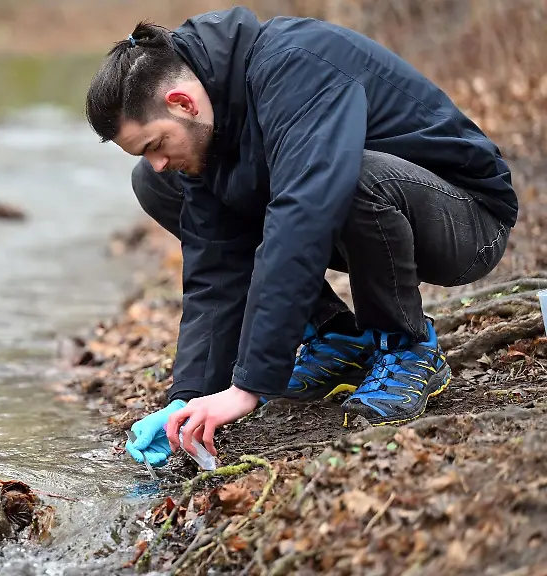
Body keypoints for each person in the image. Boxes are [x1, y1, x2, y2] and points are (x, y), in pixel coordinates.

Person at [84, 7, 517, 468]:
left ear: (183, 103)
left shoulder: (296, 66)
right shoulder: (212, 120)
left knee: (347, 177)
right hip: (367, 216)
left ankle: (405, 348)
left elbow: (302, 216)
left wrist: (249, 386)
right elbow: (217, 262)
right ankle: (337, 338)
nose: (157, 159)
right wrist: (189, 397)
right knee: (158, 185)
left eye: (155, 144)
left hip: (467, 221)